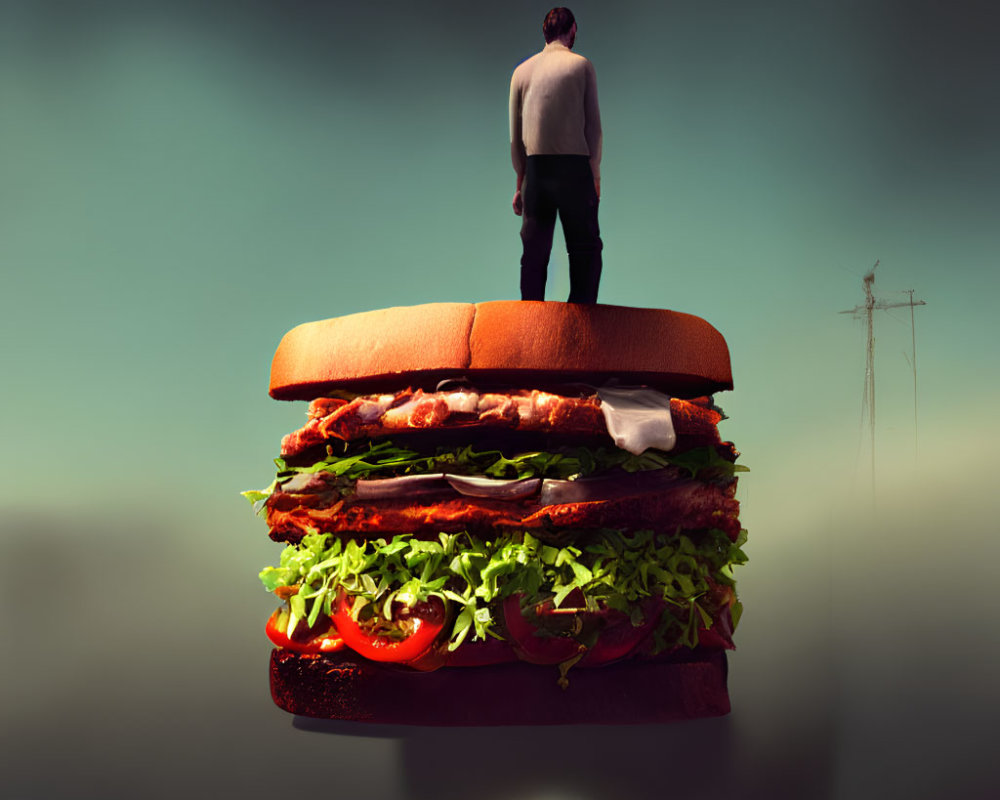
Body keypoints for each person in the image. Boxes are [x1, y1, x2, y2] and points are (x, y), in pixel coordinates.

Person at [509, 7, 603, 304]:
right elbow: (593, 129)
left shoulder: (521, 72)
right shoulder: (581, 66)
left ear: (545, 33)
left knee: (534, 256)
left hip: (536, 168)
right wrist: (595, 175)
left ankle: (531, 324)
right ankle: (581, 323)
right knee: (584, 252)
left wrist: (520, 183)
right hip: (574, 167)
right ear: (572, 29)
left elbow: (516, 139)